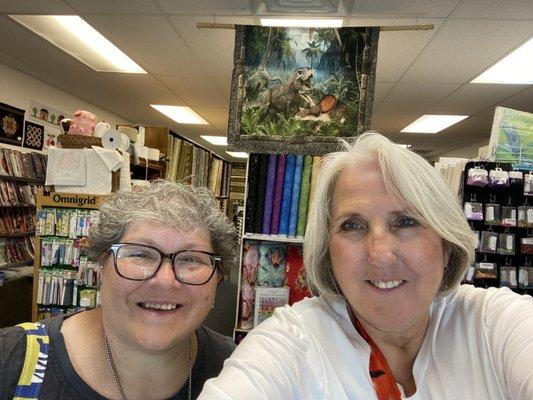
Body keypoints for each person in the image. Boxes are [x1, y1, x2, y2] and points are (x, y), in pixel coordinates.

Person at [199, 132, 533, 400]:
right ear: (328, 251)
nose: (380, 254)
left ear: (446, 244)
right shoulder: (293, 344)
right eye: (352, 226)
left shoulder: (496, 325)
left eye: (405, 221)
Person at [0, 180, 237, 400]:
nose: (165, 280)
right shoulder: (10, 362)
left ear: (217, 276)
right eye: (140, 254)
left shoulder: (240, 366)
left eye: (190, 259)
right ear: (102, 265)